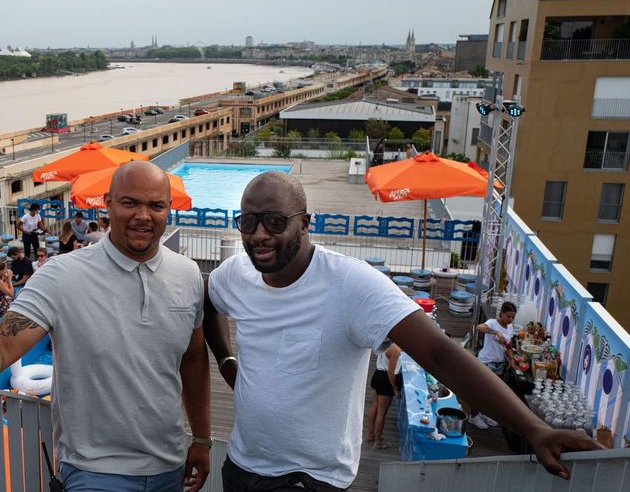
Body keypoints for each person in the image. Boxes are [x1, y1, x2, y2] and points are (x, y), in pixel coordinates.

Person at [203, 171, 602, 490]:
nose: (258, 234)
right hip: (241, 465)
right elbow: (209, 304)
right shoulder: (235, 275)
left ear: (306, 223)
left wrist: (533, 429)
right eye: (248, 221)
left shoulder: (350, 285)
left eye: (275, 221)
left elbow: (440, 353)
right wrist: (226, 360)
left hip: (307, 478)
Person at [0, 161, 211, 492]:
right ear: (108, 203)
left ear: (168, 209)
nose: (143, 215)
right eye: (130, 202)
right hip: (95, 470)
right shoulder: (62, 275)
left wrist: (203, 439)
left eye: (156, 205)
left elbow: (193, 358)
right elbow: (3, 342)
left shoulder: (188, 275)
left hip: (170, 463)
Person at [471, 301, 518, 429]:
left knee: (491, 393)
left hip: (499, 364)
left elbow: (508, 345)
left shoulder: (510, 328)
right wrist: (496, 332)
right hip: (486, 361)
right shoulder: (492, 323)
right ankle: (474, 416)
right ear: (501, 313)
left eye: (513, 317)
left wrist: (512, 358)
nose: (510, 319)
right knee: (480, 391)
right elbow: (479, 327)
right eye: (508, 316)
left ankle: (484, 413)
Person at [366, 340, 402, 450]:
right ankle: (378, 443)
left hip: (378, 374)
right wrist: (396, 389)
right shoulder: (395, 349)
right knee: (381, 413)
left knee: (375, 406)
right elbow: (391, 373)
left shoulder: (385, 343)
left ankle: (370, 435)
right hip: (385, 380)